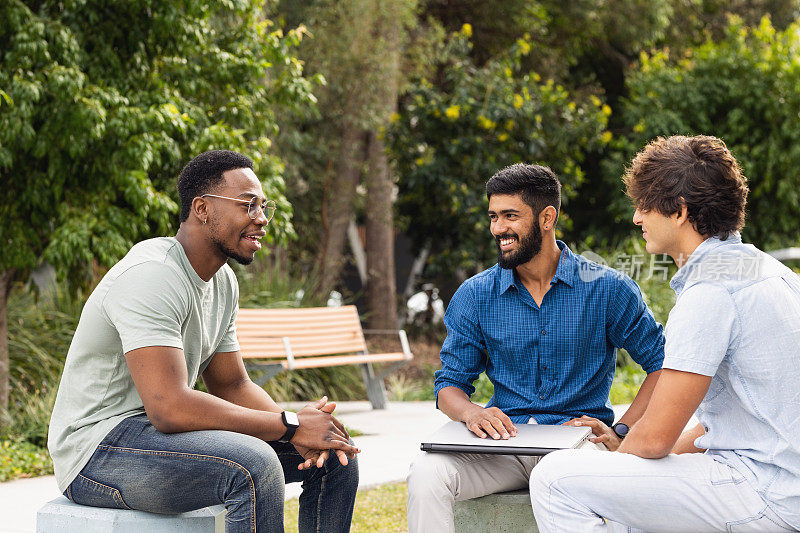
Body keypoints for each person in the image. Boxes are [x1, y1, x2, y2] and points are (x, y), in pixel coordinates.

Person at [48, 150, 360, 533]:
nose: (261, 219)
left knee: (333, 454)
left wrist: (306, 432)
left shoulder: (223, 282)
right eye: (248, 205)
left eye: (264, 207)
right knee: (253, 465)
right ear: (202, 208)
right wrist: (291, 424)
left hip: (162, 439)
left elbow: (233, 385)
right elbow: (169, 406)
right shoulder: (154, 275)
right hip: (98, 451)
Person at [530, 135, 800, 532]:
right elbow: (728, 424)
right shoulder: (770, 272)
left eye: (644, 206)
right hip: (779, 484)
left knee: (555, 478)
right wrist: (625, 456)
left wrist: (617, 459)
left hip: (764, 493)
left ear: (679, 212)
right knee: (632, 505)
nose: (637, 218)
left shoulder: (711, 290)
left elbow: (654, 439)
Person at [406, 163, 666, 533]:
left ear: (547, 218)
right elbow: (448, 384)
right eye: (494, 217)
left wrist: (623, 431)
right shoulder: (475, 295)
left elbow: (663, 365)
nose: (498, 228)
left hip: (576, 447)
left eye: (510, 216)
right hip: (503, 449)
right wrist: (471, 413)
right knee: (427, 472)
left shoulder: (608, 288)